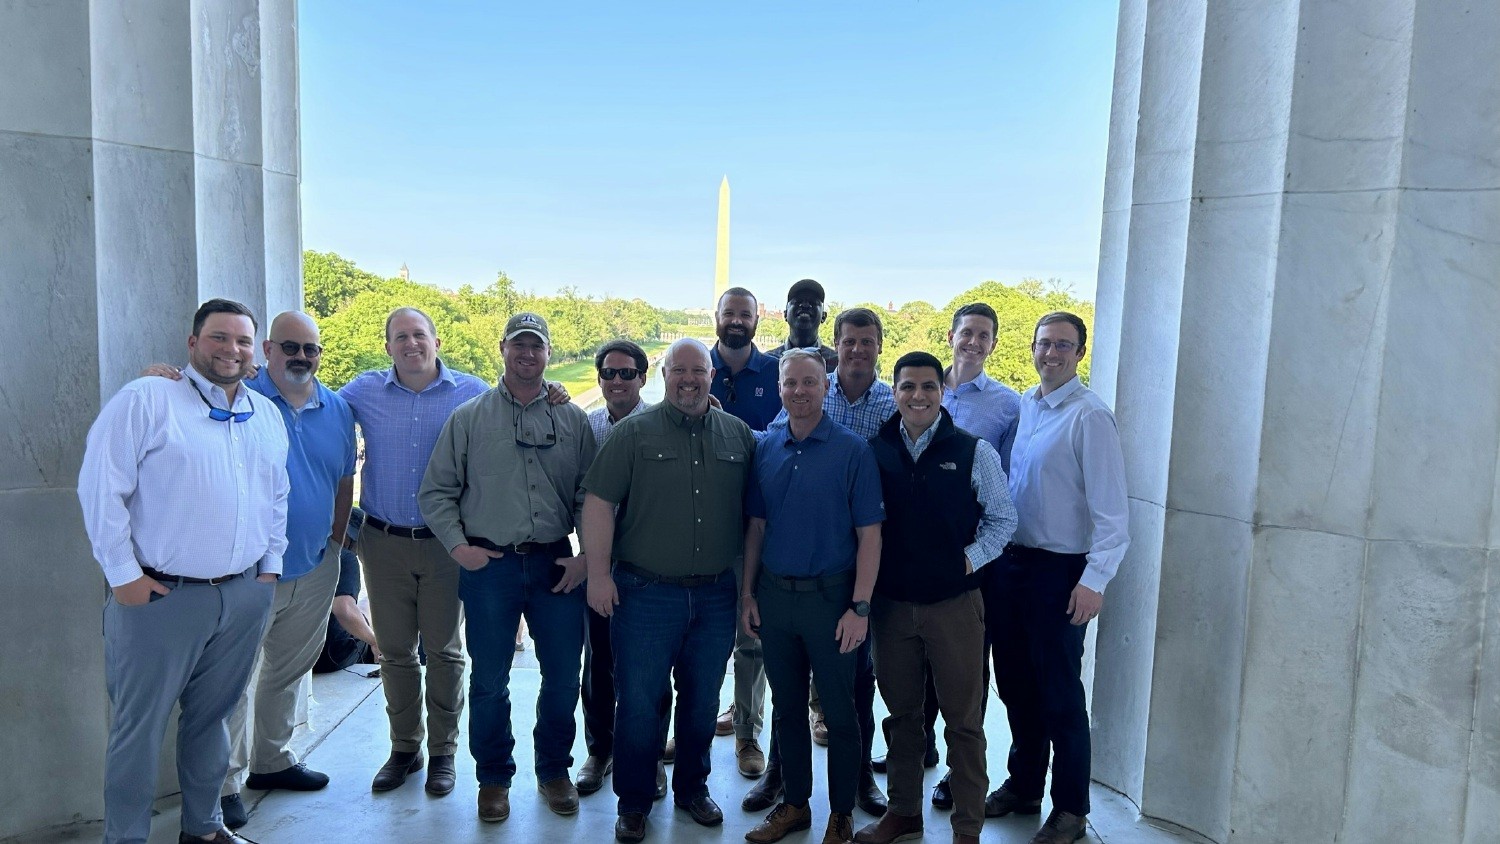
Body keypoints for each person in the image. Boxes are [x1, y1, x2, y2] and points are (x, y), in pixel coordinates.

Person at [79, 298, 289, 844]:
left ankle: (204, 828)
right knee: (137, 731)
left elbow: (276, 495)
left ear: (255, 352)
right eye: (219, 338)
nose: (232, 350)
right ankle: (124, 838)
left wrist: (269, 568)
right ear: (193, 343)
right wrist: (123, 575)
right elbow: (102, 488)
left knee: (212, 719)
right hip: (161, 597)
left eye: (243, 341)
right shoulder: (147, 399)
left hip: (242, 595)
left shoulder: (264, 414)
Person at [419, 312, 596, 823]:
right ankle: (493, 778)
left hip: (555, 564)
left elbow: (589, 494)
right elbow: (436, 492)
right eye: (518, 345)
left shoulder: (571, 418)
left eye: (536, 346)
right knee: (489, 678)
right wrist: (459, 548)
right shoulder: (469, 418)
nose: (527, 354)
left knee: (564, 674)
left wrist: (586, 556)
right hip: (489, 564)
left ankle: (553, 770)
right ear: (502, 348)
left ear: (548, 353)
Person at [582, 339, 756, 844]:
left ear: (712, 376)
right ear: (663, 375)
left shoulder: (738, 435)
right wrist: (598, 575)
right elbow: (597, 504)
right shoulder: (633, 433)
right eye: (678, 370)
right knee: (638, 703)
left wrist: (747, 592)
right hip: (644, 593)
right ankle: (634, 803)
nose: (688, 379)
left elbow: (755, 518)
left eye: (697, 370)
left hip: (716, 595)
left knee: (702, 702)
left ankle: (692, 790)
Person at [853, 352, 1017, 844]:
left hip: (955, 606)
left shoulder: (972, 451)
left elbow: (1003, 519)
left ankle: (967, 827)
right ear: (895, 390)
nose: (918, 396)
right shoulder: (874, 450)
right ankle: (904, 813)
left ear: (941, 392)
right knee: (903, 717)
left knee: (964, 722)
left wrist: (968, 560)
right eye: (907, 387)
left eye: (928, 386)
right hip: (892, 607)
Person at [749, 307, 895, 817]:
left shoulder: (857, 449)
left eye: (809, 381)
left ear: (822, 383)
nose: (799, 390)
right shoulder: (768, 445)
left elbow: (870, 535)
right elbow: (757, 526)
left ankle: (842, 812)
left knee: (844, 709)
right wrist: (748, 593)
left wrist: (860, 606)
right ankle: (793, 803)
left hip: (834, 597)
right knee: (788, 709)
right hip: (775, 596)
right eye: (791, 382)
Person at [337, 307, 489, 796]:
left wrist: (553, 393)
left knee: (444, 651)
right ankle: (406, 747)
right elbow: (307, 403)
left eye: (419, 335)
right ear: (388, 347)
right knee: (396, 652)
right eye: (400, 336)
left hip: (446, 543)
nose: (411, 344)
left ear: (436, 341)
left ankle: (444, 752)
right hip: (382, 543)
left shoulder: (471, 391)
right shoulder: (363, 392)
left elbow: (516, 409)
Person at [991, 312, 1129, 844]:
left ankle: (1070, 808)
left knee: (1060, 695)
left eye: (1063, 346)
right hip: (1014, 564)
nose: (1051, 353)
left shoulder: (1090, 417)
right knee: (1016, 687)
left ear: (1079, 353)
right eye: (1044, 343)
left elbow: (1113, 515)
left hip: (1061, 572)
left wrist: (1094, 580)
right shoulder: (1028, 403)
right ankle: (1024, 786)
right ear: (1031, 346)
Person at [899, 301, 1023, 809]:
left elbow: (1004, 493)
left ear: (993, 343)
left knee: (965, 676)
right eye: (966, 332)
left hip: (966, 566)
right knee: (914, 671)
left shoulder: (1007, 405)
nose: (973, 341)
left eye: (984, 335)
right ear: (951, 335)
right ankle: (920, 750)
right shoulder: (916, 389)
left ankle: (959, 777)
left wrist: (973, 557)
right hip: (908, 573)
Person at [578, 340, 670, 799]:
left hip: (647, 564)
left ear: (643, 376)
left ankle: (649, 756)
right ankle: (601, 749)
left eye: (626, 373)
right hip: (599, 564)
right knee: (598, 663)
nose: (617, 381)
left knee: (651, 670)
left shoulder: (661, 423)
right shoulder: (586, 426)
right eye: (608, 373)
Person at [707, 287, 784, 779]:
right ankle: (692, 723)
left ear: (758, 319)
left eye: (745, 314)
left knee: (750, 639)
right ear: (716, 317)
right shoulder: (694, 364)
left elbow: (783, 435)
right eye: (729, 313)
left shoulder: (777, 374)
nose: (737, 321)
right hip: (702, 525)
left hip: (758, 526)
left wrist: (728, 430)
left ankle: (748, 736)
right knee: (695, 639)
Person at [314, 508, 382, 674]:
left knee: (368, 606)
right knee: (376, 609)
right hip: (332, 655)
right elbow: (343, 609)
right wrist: (375, 642)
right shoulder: (344, 557)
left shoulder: (307, 552)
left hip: (299, 654)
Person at [766, 279, 837, 373]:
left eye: (813, 302)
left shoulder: (837, 363)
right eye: (797, 301)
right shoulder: (767, 362)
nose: (805, 305)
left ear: (823, 316)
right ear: (785, 314)